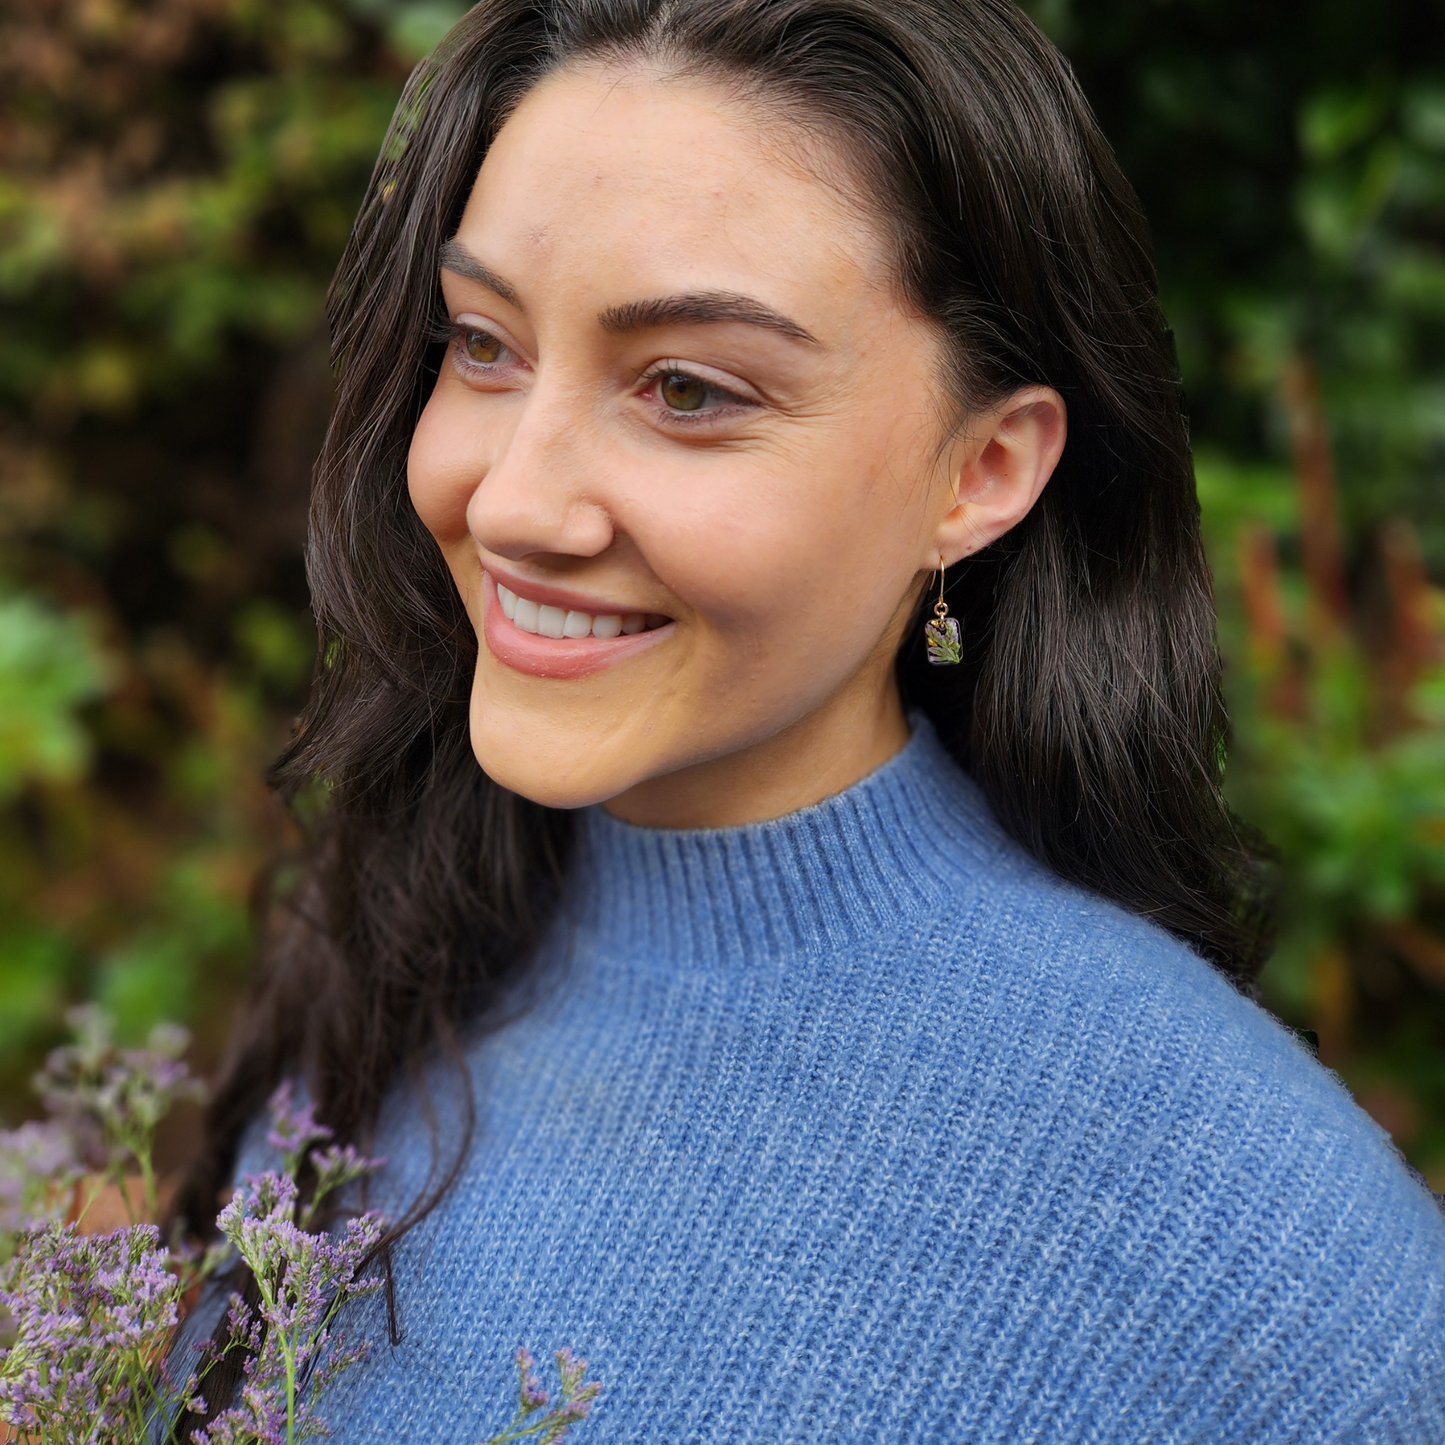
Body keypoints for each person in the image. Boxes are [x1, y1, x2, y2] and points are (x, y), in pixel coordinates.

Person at [177, 0, 1445, 1437]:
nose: (515, 500)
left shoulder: (1256, 1254)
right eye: (484, 345)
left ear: (980, 470)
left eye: (689, 390)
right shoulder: (400, 940)